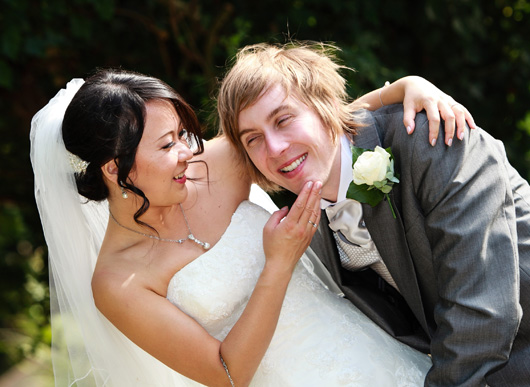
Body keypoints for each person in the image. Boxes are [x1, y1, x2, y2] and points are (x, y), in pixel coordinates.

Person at [30, 68, 472, 386]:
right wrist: (277, 265)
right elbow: (225, 372)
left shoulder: (215, 164)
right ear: (114, 168)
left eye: (184, 134)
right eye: (168, 145)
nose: (188, 152)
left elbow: (310, 137)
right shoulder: (116, 282)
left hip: (377, 352)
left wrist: (404, 88)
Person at [218, 42, 530, 386]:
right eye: (253, 139)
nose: (274, 147)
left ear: (323, 107)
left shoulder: (433, 139)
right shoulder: (309, 225)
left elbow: (481, 313)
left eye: (283, 119)